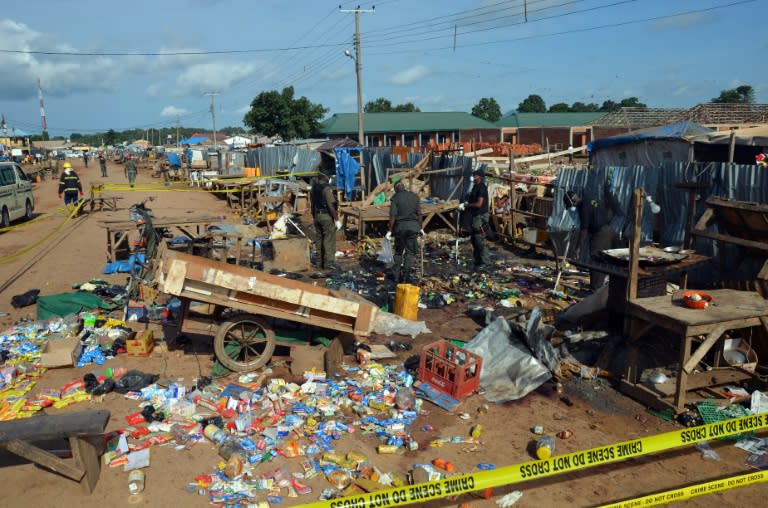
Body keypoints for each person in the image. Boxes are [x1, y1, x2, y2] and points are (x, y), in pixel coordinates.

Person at [567, 189, 621, 289]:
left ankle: (595, 288)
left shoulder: (583, 207)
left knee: (596, 259)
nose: (572, 208)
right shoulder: (590, 200)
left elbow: (584, 230)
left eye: (571, 206)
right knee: (609, 260)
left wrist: (578, 249)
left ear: (573, 201)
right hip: (610, 230)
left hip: (601, 233)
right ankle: (612, 286)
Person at [386, 179, 423, 283]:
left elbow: (393, 215)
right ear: (403, 187)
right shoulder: (414, 197)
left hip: (400, 229)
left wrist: (389, 231)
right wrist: (421, 228)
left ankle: (397, 277)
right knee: (410, 253)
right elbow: (420, 214)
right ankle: (406, 277)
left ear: (396, 189)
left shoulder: (395, 198)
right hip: (413, 228)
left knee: (398, 253)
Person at [459, 169, 491, 271]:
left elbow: (479, 204)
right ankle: (478, 261)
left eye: (475, 176)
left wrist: (467, 205)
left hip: (480, 217)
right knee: (474, 239)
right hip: (475, 216)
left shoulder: (481, 188)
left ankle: (486, 262)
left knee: (479, 239)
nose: (473, 177)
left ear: (479, 177)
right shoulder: (475, 187)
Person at [311, 173, 342, 270]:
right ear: (325, 178)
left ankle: (319, 263)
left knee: (319, 240)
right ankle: (329, 264)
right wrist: (336, 220)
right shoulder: (326, 189)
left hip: (317, 216)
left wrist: (314, 216)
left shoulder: (313, 189)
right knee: (329, 239)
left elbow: (312, 205)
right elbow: (330, 206)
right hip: (326, 216)